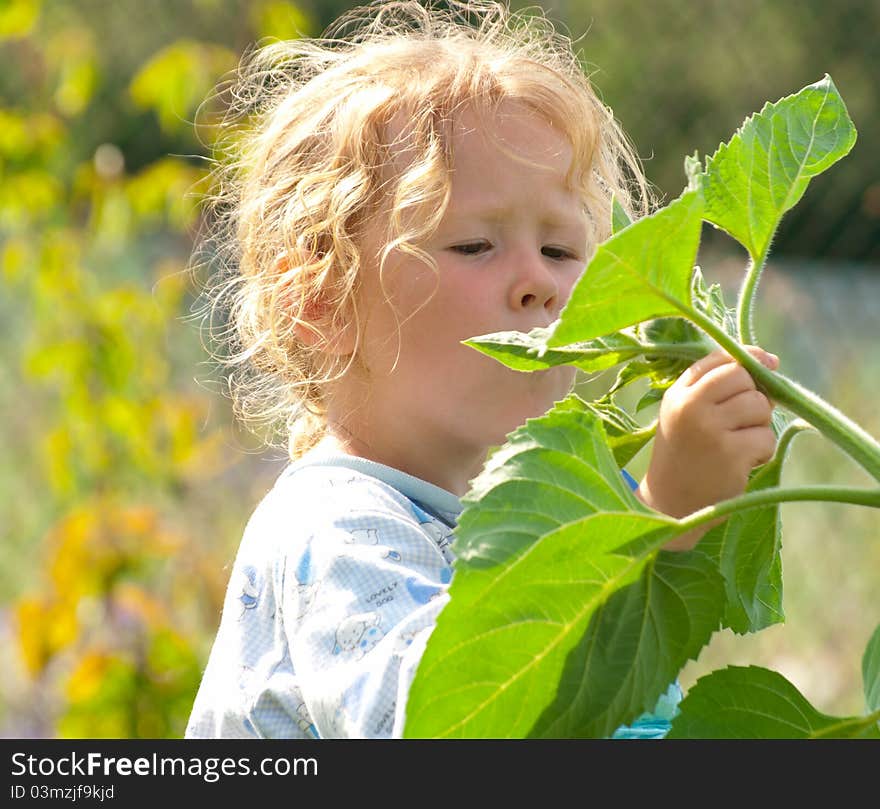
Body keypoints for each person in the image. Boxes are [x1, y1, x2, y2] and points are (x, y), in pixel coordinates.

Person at [185, 0, 778, 739]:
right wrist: (657, 520)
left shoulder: (553, 516)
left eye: (562, 251)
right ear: (321, 304)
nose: (542, 282)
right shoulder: (340, 528)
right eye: (474, 246)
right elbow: (457, 721)